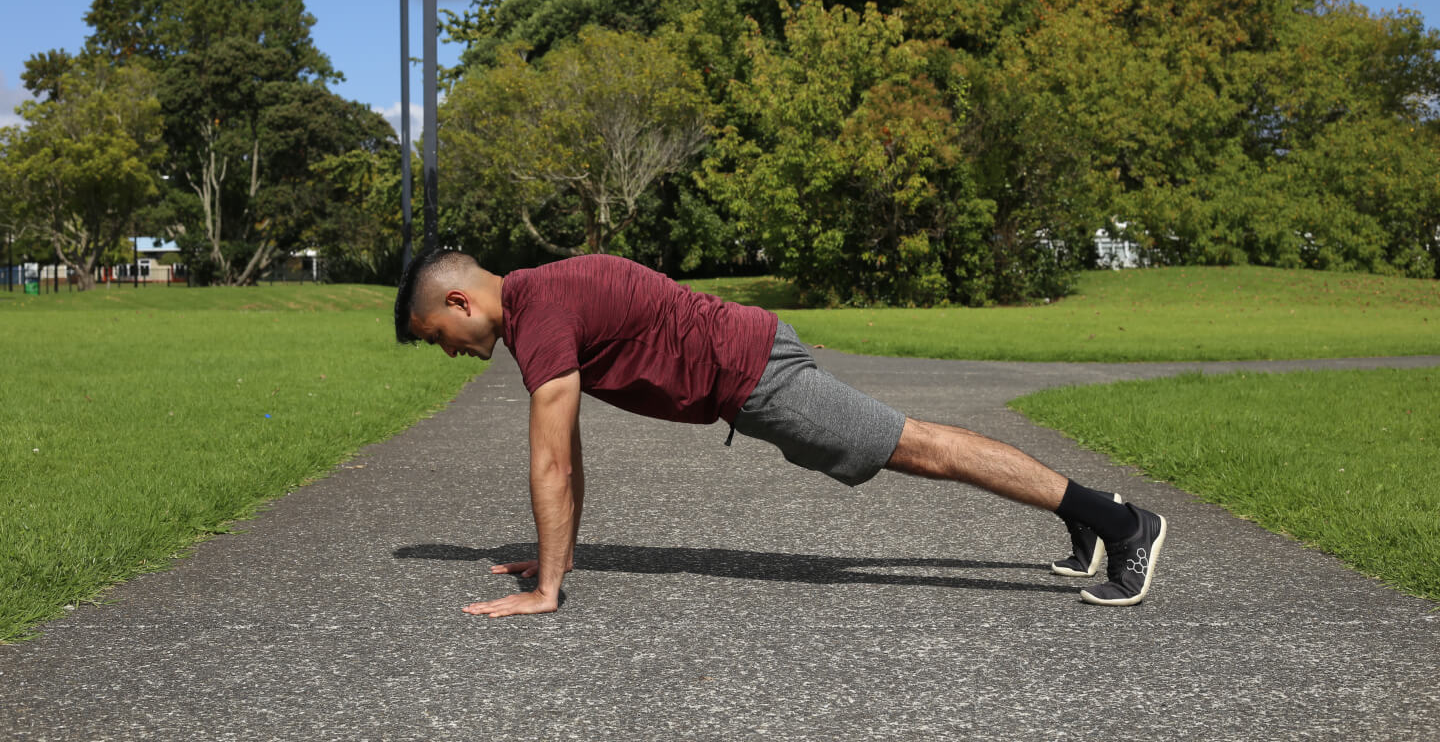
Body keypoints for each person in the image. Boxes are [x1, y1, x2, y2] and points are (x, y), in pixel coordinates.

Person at [394, 249, 1167, 618]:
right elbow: (569, 455)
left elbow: (553, 464)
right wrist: (555, 557)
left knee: (919, 448)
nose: (451, 352)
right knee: (916, 447)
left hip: (756, 376)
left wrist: (549, 589)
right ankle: (1083, 515)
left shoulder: (541, 316)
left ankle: (1121, 521)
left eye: (437, 336)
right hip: (750, 364)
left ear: (461, 302)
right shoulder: (541, 297)